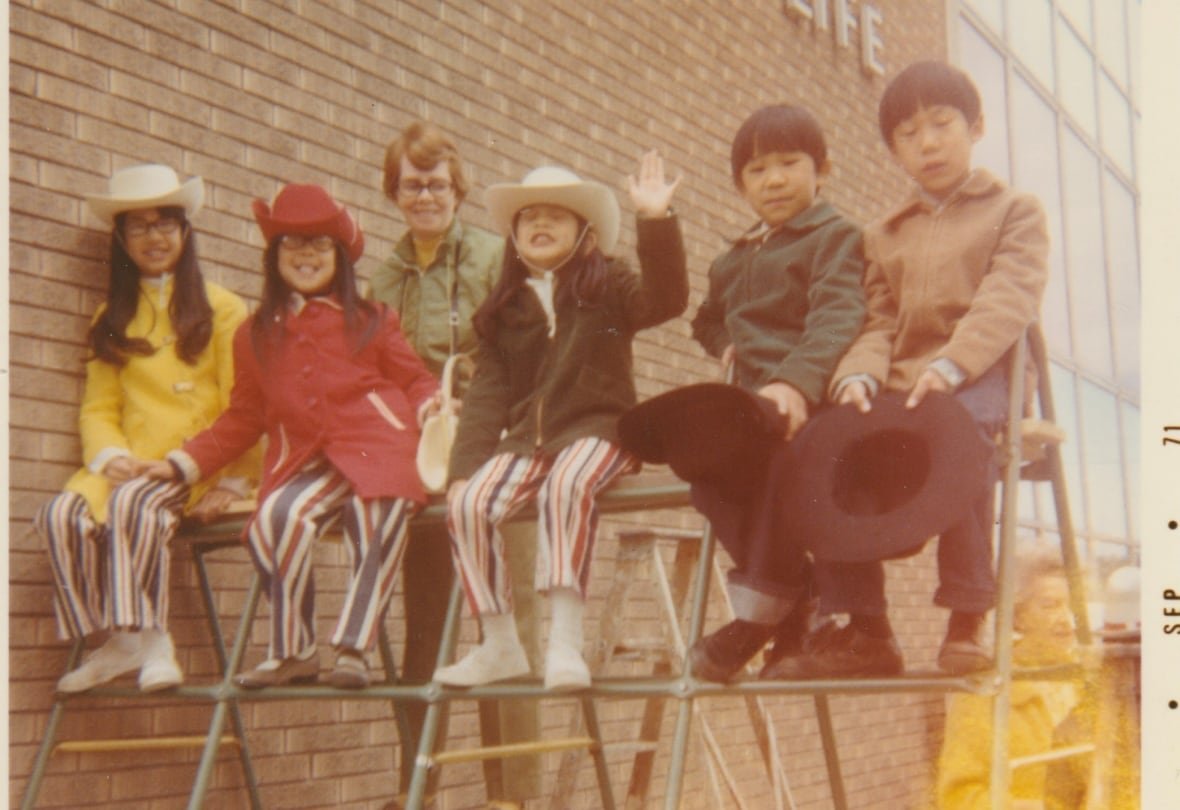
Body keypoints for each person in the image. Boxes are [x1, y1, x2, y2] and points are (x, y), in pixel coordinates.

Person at [767, 60, 1050, 680]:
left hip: (978, 378)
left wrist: (952, 366)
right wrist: (860, 375)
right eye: (908, 133)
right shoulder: (885, 234)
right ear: (894, 149)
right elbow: (877, 320)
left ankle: (967, 620)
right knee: (827, 447)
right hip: (902, 384)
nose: (927, 142)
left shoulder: (1014, 211)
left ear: (974, 127)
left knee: (960, 437)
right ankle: (865, 628)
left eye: (941, 124)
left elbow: (1009, 298)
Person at [144, 183, 438, 690]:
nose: (306, 255)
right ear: (273, 257)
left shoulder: (372, 320)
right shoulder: (256, 334)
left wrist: (433, 404)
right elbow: (243, 416)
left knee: (379, 514)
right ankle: (294, 651)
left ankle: (353, 647)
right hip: (307, 458)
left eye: (320, 244)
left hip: (379, 449)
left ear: (340, 257)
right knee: (276, 518)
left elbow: (414, 379)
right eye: (292, 244)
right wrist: (180, 464)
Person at [432, 151, 687, 691]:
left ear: (584, 231)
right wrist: (464, 466)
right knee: (467, 503)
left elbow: (666, 299)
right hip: (529, 441)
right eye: (528, 217)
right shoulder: (506, 310)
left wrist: (655, 220)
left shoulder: (608, 285)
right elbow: (487, 395)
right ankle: (500, 642)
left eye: (556, 215)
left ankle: (564, 641)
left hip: (601, 429)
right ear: (515, 236)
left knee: (566, 486)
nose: (540, 223)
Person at [370, 121, 540, 810]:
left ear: (458, 187)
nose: (426, 196)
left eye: (437, 183)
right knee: (427, 618)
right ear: (394, 192)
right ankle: (421, 786)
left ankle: (513, 791)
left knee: (510, 612)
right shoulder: (384, 275)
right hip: (428, 456)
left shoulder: (499, 256)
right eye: (412, 184)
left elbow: (527, 346)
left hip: (499, 442)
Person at [34, 164, 255, 693]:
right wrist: (109, 456)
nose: (153, 238)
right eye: (138, 226)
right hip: (129, 464)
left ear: (185, 231)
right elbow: (98, 407)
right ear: (121, 238)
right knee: (60, 514)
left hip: (192, 464)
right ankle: (121, 642)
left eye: (164, 224)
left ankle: (157, 641)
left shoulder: (222, 307)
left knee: (134, 504)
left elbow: (247, 405)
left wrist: (232, 482)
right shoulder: (112, 316)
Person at [684, 104, 866, 682]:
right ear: (741, 185)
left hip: (812, 402)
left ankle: (758, 623)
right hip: (752, 406)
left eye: (790, 163)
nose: (775, 180)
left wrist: (795, 383)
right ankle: (795, 595)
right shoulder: (732, 258)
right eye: (757, 170)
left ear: (822, 169)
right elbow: (705, 320)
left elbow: (837, 317)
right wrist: (724, 345)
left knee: (778, 472)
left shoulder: (836, 237)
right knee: (707, 477)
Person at [935, 552, 1083, 809]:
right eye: (1050, 605)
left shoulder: (1087, 682)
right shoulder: (986, 691)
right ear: (1018, 616)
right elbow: (956, 798)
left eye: (1072, 606)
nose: (1066, 619)